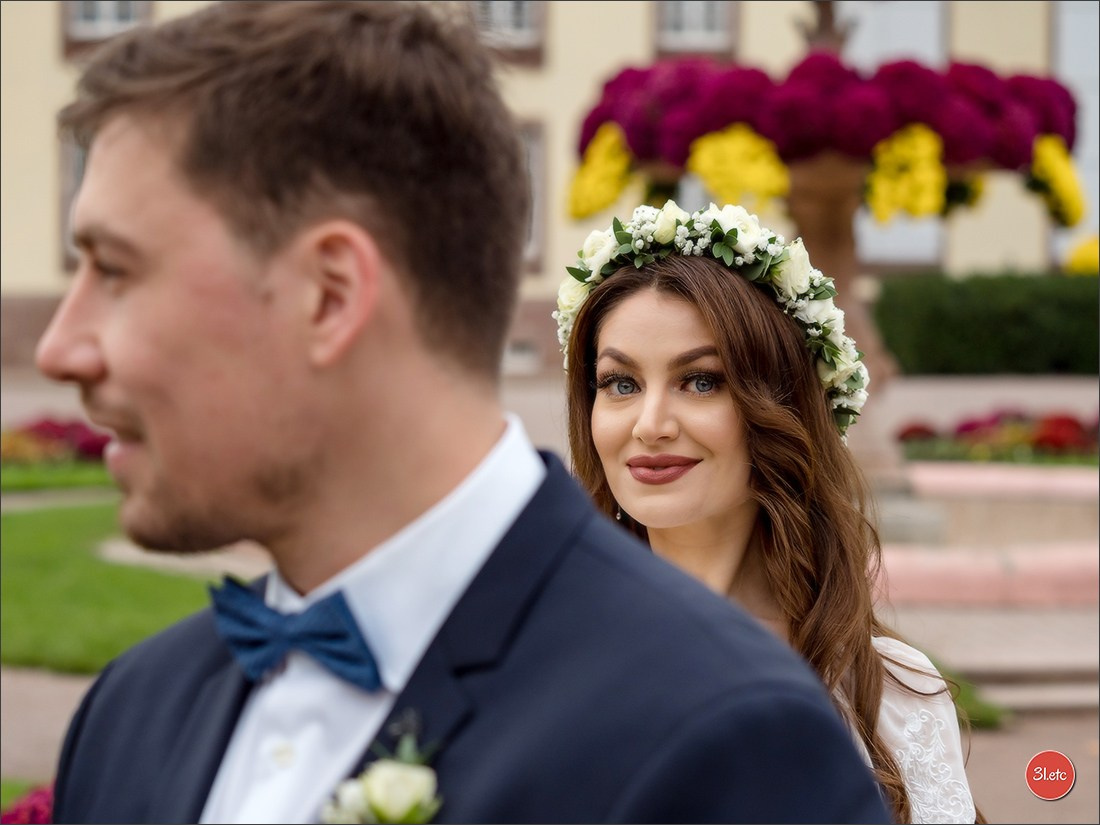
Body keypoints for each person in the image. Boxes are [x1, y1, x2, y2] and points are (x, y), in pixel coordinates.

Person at [37, 3, 891, 823]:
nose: (60, 347)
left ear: (330, 295)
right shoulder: (127, 712)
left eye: (114, 269)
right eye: (618, 382)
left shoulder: (724, 740)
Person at [557, 199, 981, 824]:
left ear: (780, 406)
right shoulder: (547, 662)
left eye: (701, 380)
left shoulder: (889, 689)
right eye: (621, 384)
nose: (649, 426)